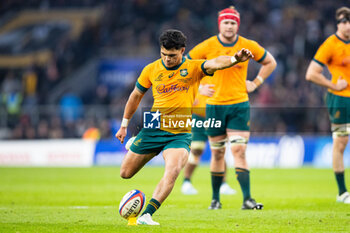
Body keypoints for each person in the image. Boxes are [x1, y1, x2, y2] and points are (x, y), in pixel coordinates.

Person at [115, 29, 254, 225]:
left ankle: (147, 215)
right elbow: (135, 96)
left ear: (182, 51)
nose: (167, 59)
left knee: (172, 170)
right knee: (125, 173)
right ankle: (137, 140)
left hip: (179, 132)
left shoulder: (193, 67)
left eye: (172, 55)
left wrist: (234, 59)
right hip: (154, 126)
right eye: (163, 54)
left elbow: (215, 62)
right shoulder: (151, 69)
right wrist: (124, 125)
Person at [187, 6, 277, 210]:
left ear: (238, 25)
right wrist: (200, 86)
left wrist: (256, 82)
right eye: (226, 22)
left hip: (238, 105)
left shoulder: (248, 45)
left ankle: (247, 199)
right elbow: (185, 67)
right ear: (220, 24)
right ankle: (215, 199)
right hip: (214, 107)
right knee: (218, 153)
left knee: (239, 150)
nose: (229, 26)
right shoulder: (207, 45)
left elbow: (270, 62)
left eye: (233, 22)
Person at [306, 7, 350, 204]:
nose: (346, 25)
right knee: (341, 143)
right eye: (343, 21)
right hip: (340, 98)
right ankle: (342, 192)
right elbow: (311, 73)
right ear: (337, 24)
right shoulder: (330, 44)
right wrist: (333, 85)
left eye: (348, 21)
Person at [181, 79, 236, 195]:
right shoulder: (197, 68)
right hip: (199, 115)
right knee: (196, 149)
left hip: (216, 116)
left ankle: (223, 184)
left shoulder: (221, 69)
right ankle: (186, 182)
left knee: (219, 150)